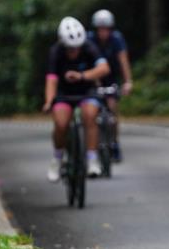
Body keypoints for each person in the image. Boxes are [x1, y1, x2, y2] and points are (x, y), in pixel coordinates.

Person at [43, 16, 111, 180]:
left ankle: (92, 158)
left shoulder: (89, 47)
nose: (74, 51)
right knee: (61, 123)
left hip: (86, 91)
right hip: (63, 94)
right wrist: (48, 101)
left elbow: (104, 68)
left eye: (77, 48)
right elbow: (51, 79)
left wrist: (82, 75)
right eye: (70, 48)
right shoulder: (56, 52)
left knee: (90, 115)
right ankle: (57, 158)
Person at [87, 9, 134, 162]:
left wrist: (128, 81)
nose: (103, 32)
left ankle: (114, 142)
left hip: (111, 77)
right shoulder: (89, 40)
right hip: (94, 77)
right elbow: (87, 62)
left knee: (112, 110)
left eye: (106, 29)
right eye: (100, 29)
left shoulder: (116, 39)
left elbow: (123, 60)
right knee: (91, 112)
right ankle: (90, 145)